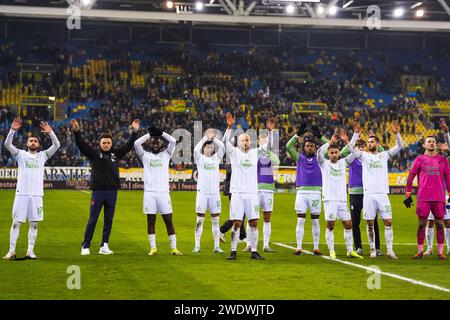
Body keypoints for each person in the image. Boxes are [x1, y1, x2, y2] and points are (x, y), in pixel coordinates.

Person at [71, 118, 139, 256]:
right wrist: (77, 132)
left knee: (109, 220)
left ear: (111, 143)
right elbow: (82, 145)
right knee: (93, 219)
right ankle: (85, 245)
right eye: (104, 143)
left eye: (108, 142)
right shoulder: (94, 154)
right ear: (100, 144)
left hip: (112, 192)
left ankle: (104, 245)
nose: (106, 145)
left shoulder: (116, 154)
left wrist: (134, 132)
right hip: (98, 192)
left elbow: (128, 145)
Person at [3, 118, 60, 260]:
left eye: (35, 141)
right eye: (31, 141)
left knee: (34, 224)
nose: (33, 142)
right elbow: (7, 144)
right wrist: (12, 130)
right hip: (21, 194)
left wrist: (51, 132)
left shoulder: (43, 156)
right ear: (27, 144)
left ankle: (30, 251)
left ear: (38, 144)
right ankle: (11, 251)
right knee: (16, 223)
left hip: (36, 195)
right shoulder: (21, 154)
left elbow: (57, 145)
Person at [326, 126, 384, 256]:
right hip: (354, 193)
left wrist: (375, 139)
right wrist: (353, 139)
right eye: (359, 146)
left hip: (369, 192)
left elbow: (381, 152)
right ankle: (358, 247)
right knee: (355, 222)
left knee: (373, 221)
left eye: (364, 146)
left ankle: (377, 247)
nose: (362, 148)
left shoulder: (369, 158)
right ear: (356, 148)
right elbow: (345, 151)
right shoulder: (351, 159)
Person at [348, 120, 403, 259]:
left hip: (383, 194)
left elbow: (400, 146)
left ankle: (390, 250)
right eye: (369, 142)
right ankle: (372, 249)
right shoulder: (364, 156)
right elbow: (351, 150)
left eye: (372, 141)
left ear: (378, 144)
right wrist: (352, 136)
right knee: (370, 223)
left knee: (388, 222)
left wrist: (396, 134)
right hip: (369, 195)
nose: (370, 143)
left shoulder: (384, 155)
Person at [134, 125, 182, 256]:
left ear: (161, 143)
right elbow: (136, 143)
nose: (155, 144)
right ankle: (153, 248)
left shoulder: (166, 155)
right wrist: (149, 135)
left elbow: (172, 141)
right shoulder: (145, 156)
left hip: (163, 193)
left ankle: (174, 248)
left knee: (168, 221)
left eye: (158, 141)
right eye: (153, 142)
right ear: (150, 144)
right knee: (151, 221)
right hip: (149, 193)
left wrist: (161, 133)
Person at [224, 112, 265, 260]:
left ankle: (254, 251)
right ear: (238, 142)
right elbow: (225, 143)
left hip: (252, 194)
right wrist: (229, 128)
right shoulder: (234, 153)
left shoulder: (255, 153)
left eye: (247, 140)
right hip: (238, 194)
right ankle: (233, 251)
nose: (245, 142)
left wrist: (271, 132)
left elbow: (266, 146)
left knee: (254, 222)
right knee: (236, 223)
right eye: (243, 140)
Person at [317, 129, 362, 259]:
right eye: (332, 153)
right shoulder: (323, 164)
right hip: (329, 200)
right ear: (328, 154)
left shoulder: (343, 163)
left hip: (342, 199)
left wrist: (352, 137)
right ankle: (332, 251)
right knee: (330, 225)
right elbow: (319, 153)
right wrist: (330, 142)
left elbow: (354, 154)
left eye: (336, 152)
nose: (334, 154)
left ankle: (349, 250)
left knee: (348, 224)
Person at [286, 124, 327, 256]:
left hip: (316, 192)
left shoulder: (320, 158)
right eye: (307, 145)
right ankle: (298, 247)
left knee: (315, 220)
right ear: (304, 147)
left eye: (312, 145)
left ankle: (316, 248)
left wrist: (320, 137)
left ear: (315, 148)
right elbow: (288, 146)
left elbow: (331, 146)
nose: (310, 147)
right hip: (302, 193)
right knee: (300, 220)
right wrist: (297, 134)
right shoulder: (299, 158)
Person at [242, 118, 280, 253]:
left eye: (266, 139)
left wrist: (271, 133)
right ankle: (249, 244)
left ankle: (265, 245)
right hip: (255, 189)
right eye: (261, 139)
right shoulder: (253, 154)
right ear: (258, 142)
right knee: (252, 217)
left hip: (269, 188)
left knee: (267, 217)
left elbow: (277, 162)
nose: (264, 141)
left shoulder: (271, 154)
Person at [192, 128, 226, 253]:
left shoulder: (216, 158)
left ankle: (217, 246)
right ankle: (197, 245)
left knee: (216, 221)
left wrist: (214, 139)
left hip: (214, 194)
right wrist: (206, 138)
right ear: (204, 149)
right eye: (207, 148)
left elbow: (222, 147)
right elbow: (195, 149)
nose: (209, 149)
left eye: (211, 148)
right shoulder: (200, 158)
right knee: (200, 220)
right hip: (202, 194)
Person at [423, 118, 450, 256]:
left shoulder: (444, 159)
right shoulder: (429, 159)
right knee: (430, 221)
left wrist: (446, 134)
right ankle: (429, 248)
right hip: (431, 195)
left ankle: (449, 248)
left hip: (446, 194)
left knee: (447, 221)